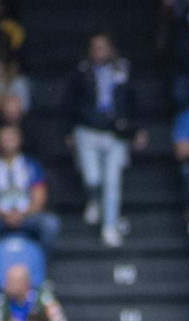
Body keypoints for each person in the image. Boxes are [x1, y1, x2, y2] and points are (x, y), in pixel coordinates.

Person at [64, 33, 146, 248]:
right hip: (87, 130)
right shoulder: (81, 71)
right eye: (95, 48)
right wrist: (69, 131)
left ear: (111, 49)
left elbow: (134, 101)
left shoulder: (123, 70)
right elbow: (69, 103)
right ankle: (93, 199)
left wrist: (137, 129)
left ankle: (109, 227)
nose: (100, 52)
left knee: (112, 182)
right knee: (93, 178)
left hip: (115, 132)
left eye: (104, 47)